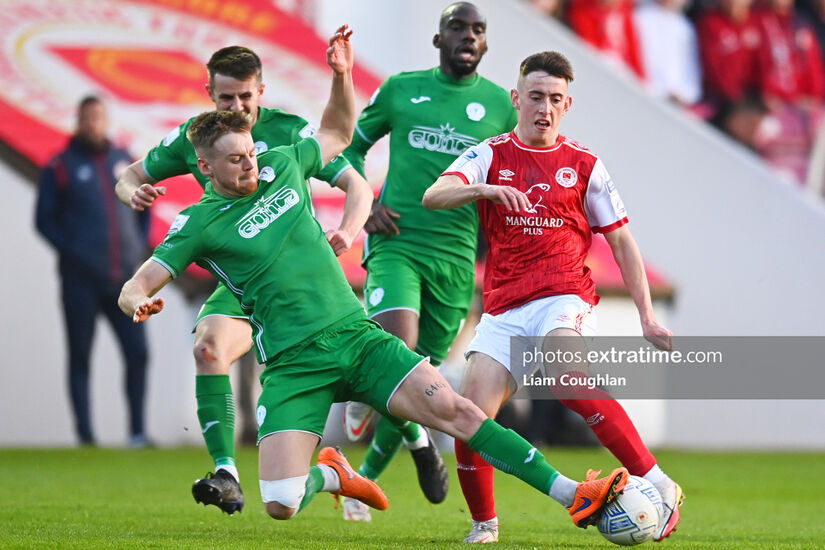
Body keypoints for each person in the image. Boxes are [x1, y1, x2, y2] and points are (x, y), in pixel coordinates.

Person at [117, 28, 630, 530]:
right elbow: (137, 283)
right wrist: (139, 301)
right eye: (236, 160)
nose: (251, 164)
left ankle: (572, 494)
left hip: (358, 339)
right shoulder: (197, 225)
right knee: (280, 502)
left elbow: (339, 135)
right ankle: (333, 473)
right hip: (293, 364)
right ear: (204, 166)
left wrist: (341, 77)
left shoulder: (283, 160)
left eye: (251, 151)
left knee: (459, 412)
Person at [423, 50, 685, 543]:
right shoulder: (490, 155)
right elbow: (434, 195)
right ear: (515, 99)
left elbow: (622, 240)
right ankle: (484, 524)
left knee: (566, 374)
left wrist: (647, 317)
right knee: (469, 418)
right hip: (503, 306)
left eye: (556, 99)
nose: (544, 107)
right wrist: (483, 191)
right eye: (536, 97)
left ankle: (659, 483)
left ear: (568, 105)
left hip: (562, 293)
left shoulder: (584, 164)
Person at [114, 45, 373, 514]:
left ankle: (405, 436)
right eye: (225, 99)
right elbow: (128, 174)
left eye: (245, 98)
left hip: (301, 287)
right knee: (207, 349)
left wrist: (348, 231)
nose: (236, 109)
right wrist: (136, 191)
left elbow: (356, 182)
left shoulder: (290, 132)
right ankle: (227, 473)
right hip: (243, 281)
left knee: (386, 376)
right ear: (209, 93)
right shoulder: (198, 138)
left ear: (262, 91)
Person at [339, 1, 518, 522]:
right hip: (399, 241)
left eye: (477, 30)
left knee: (419, 376)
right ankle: (415, 440)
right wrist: (365, 201)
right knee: (402, 347)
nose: (467, 36)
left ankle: (366, 477)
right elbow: (350, 148)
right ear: (438, 39)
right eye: (457, 28)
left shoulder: (500, 107)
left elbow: (517, 175)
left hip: (458, 260)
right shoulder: (400, 89)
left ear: (485, 44)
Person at [35, 95, 150, 447]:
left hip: (123, 282)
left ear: (106, 120)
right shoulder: (60, 165)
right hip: (79, 281)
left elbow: (143, 210)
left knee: (138, 353)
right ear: (78, 120)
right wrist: (75, 252)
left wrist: (137, 246)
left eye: (98, 116)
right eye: (87, 117)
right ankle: (85, 436)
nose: (93, 123)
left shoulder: (123, 162)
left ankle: (136, 434)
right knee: (81, 356)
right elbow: (44, 220)